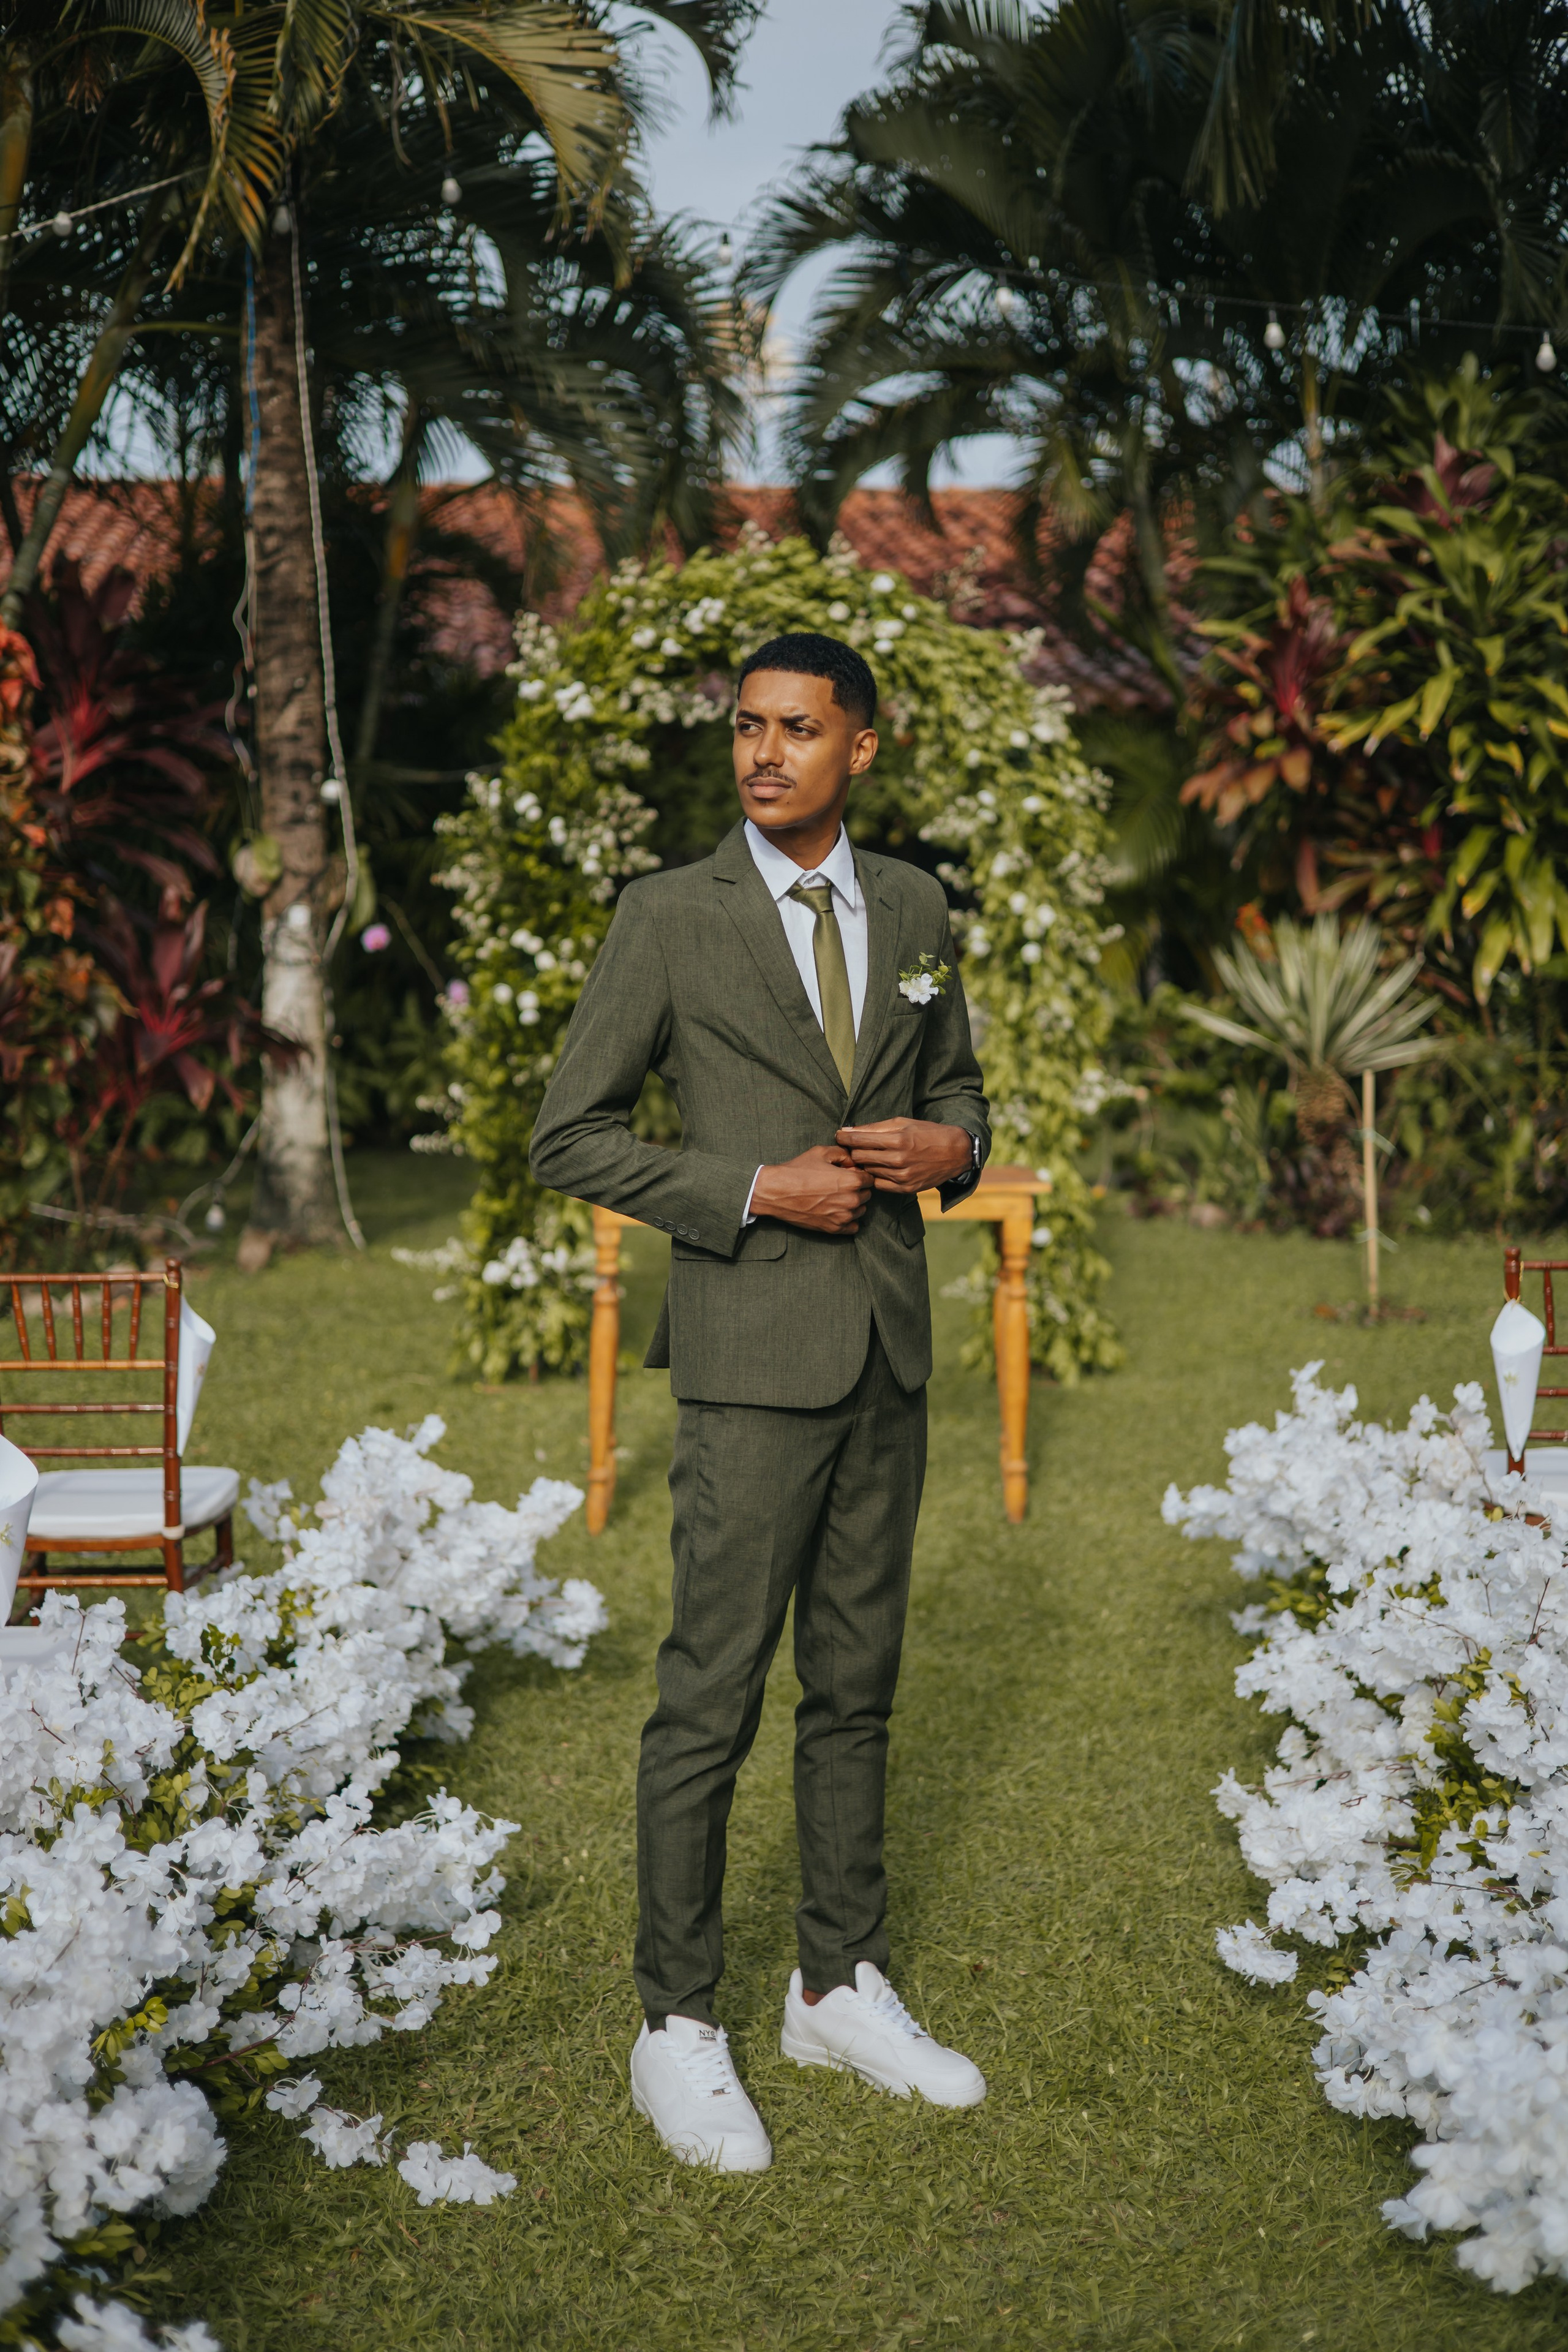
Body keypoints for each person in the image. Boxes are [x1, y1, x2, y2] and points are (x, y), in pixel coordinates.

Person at [530, 631, 991, 2171]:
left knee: (854, 1689)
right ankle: (676, 2022)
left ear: (862, 745)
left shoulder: (917, 905)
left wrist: (952, 1153)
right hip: (747, 1361)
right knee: (709, 1698)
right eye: (745, 727)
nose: (764, 753)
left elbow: (962, 1089)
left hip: (886, 1356)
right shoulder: (668, 916)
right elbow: (569, 1136)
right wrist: (744, 1188)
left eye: (798, 728)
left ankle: (834, 1983)